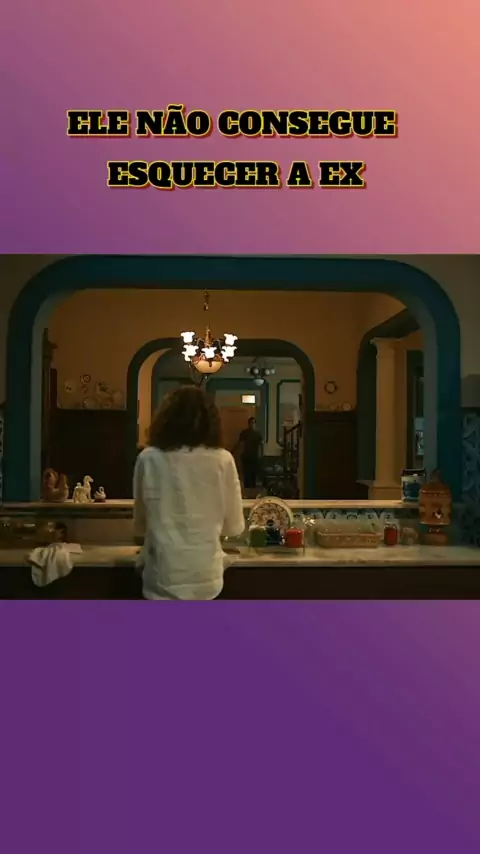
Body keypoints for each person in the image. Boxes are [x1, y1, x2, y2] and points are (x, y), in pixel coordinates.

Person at [133, 386, 245, 600]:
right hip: (206, 577)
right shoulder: (223, 460)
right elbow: (234, 526)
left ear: (165, 419)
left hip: (161, 576)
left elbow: (140, 525)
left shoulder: (148, 459)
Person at [236, 417, 263, 492]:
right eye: (251, 423)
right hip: (246, 456)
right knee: (246, 475)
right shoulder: (244, 433)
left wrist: (261, 455)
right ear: (248, 424)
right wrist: (237, 453)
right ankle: (247, 490)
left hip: (254, 457)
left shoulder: (258, 434)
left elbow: (261, 445)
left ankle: (252, 490)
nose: (252, 424)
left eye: (253, 423)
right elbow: (240, 444)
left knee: (253, 475)